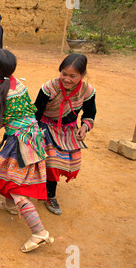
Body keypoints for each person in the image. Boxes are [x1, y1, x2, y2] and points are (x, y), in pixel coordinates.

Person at [0, 49, 53, 253]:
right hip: (34, 138)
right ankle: (9, 204)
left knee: (18, 188)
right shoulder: (20, 85)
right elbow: (30, 110)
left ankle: (39, 232)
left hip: (18, 142)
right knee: (13, 178)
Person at [34, 53, 96, 215]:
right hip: (46, 126)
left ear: (82, 75)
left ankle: (46, 190)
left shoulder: (87, 91)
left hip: (68, 130)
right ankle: (49, 195)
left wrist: (84, 127)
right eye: (64, 74)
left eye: (72, 76)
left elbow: (90, 113)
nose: (67, 79)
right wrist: (34, 131)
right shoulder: (50, 88)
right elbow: (37, 111)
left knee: (68, 163)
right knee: (51, 162)